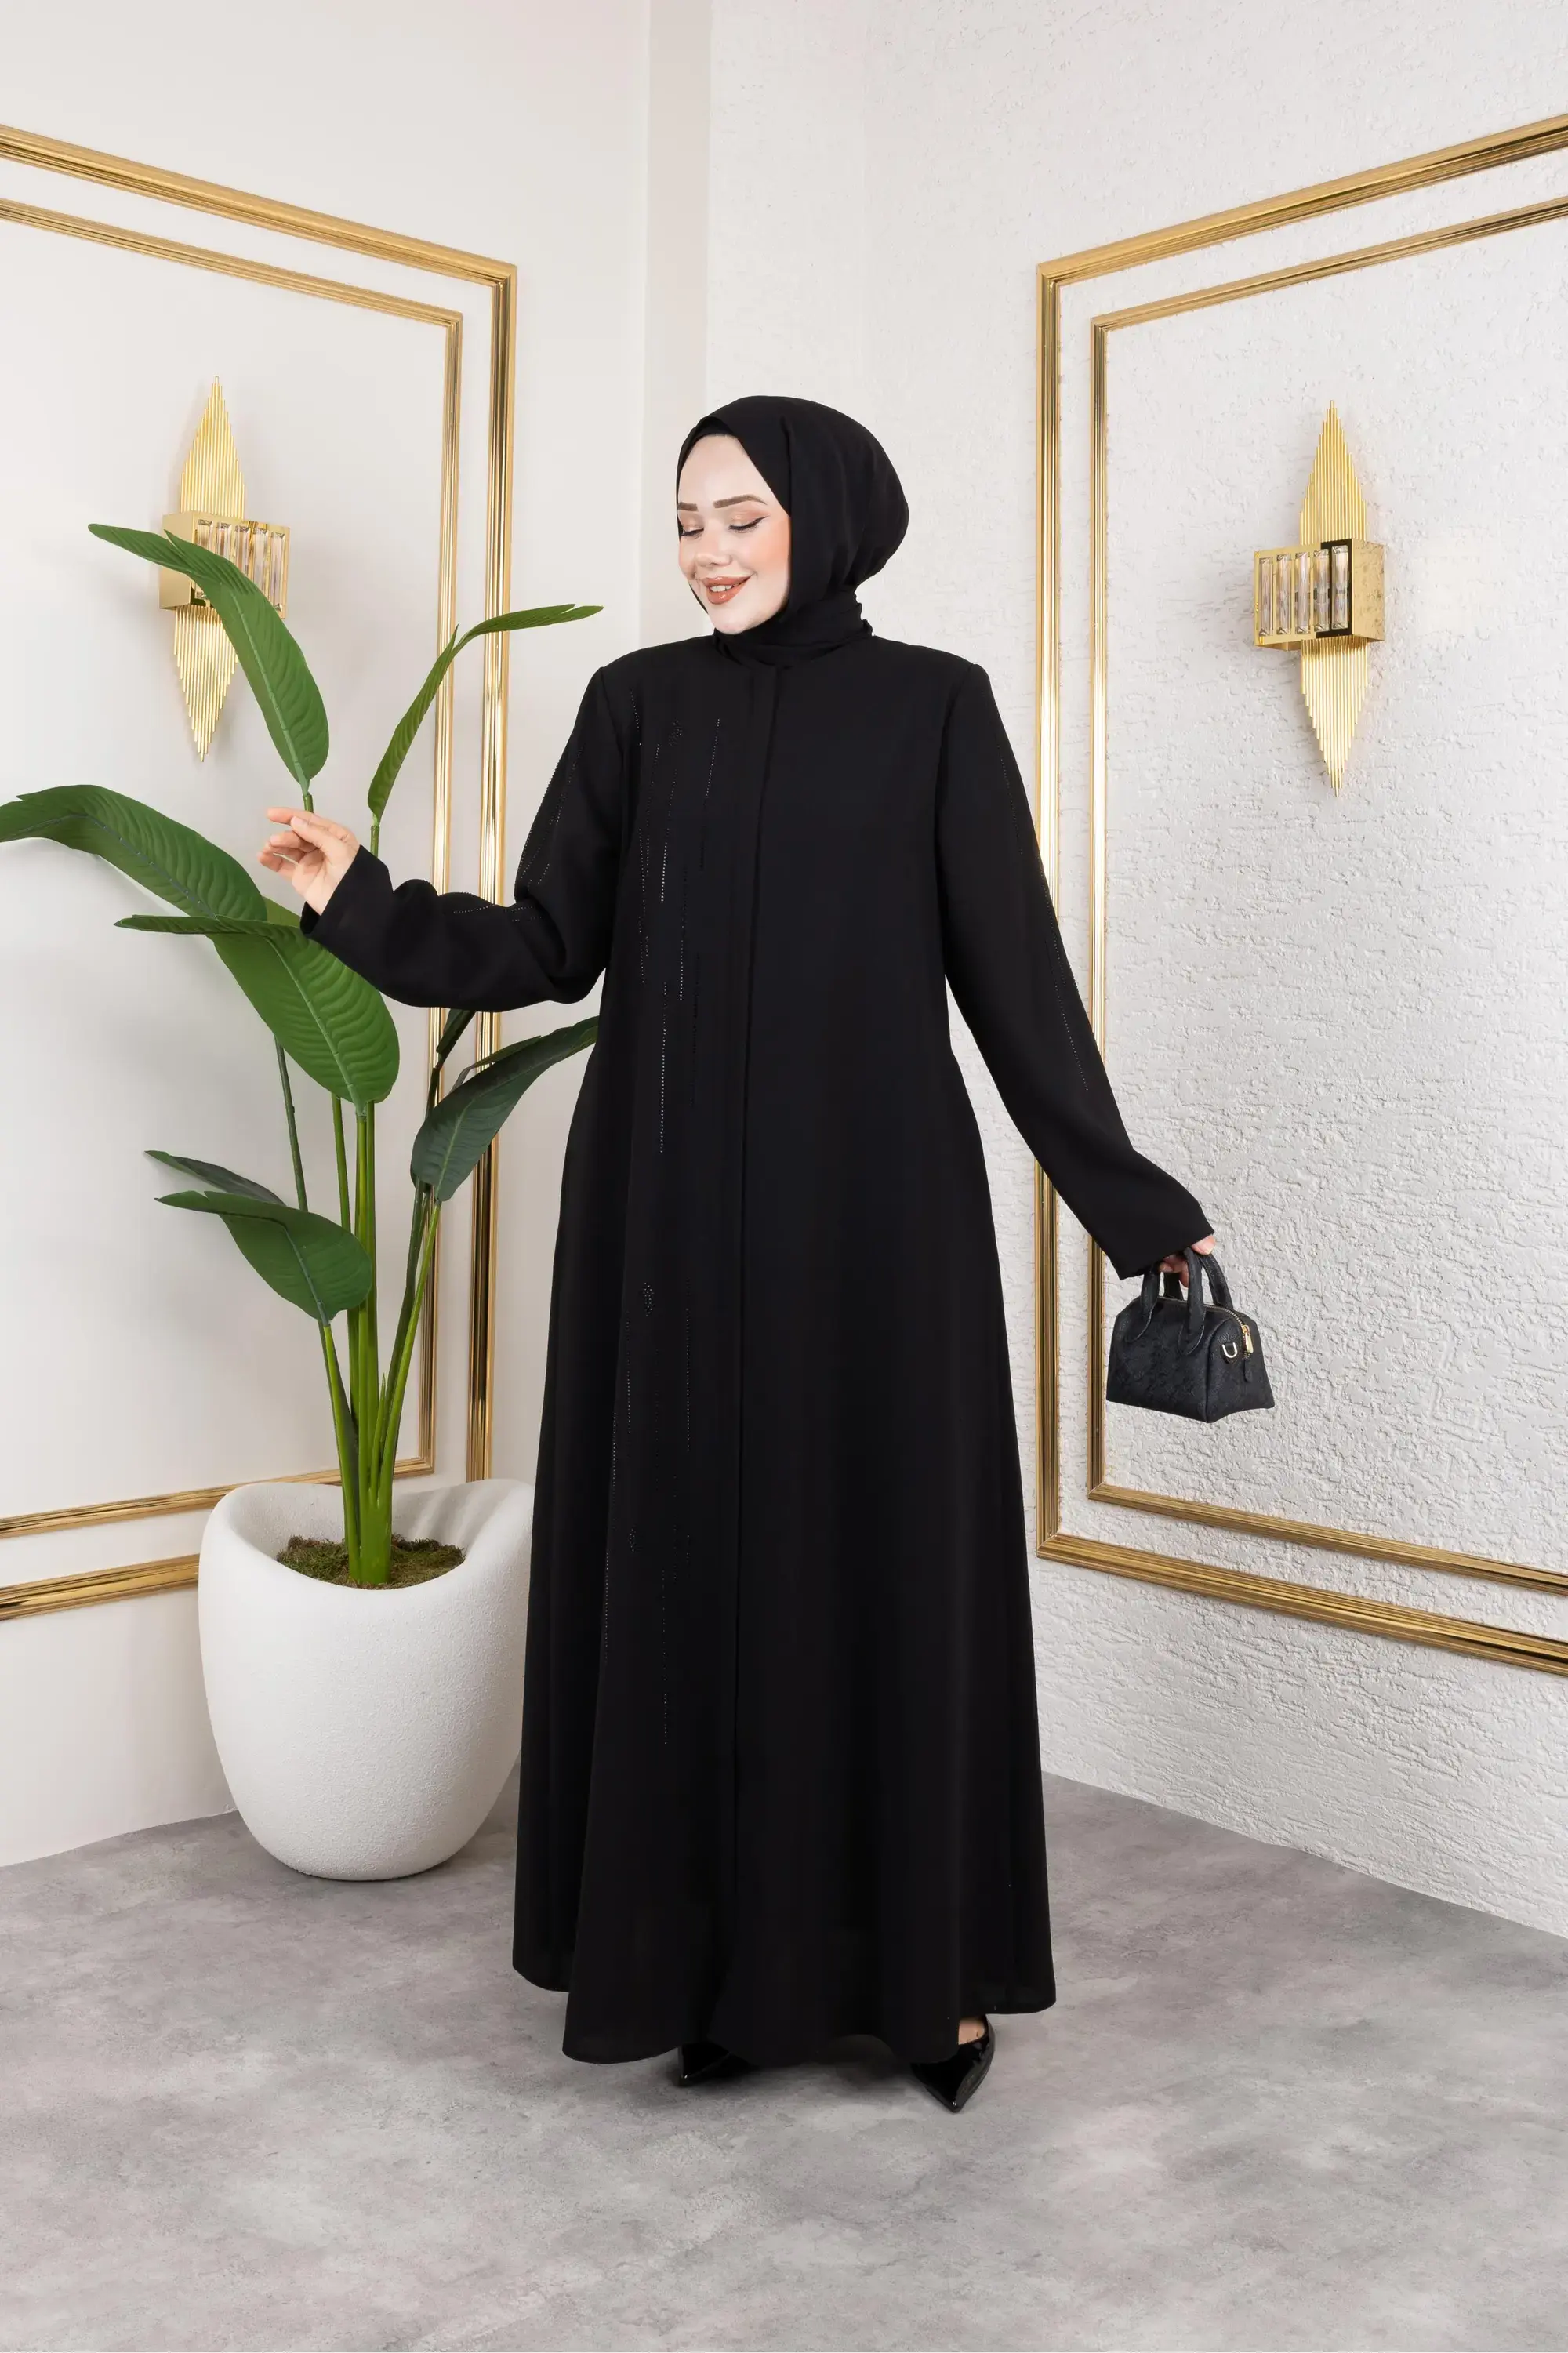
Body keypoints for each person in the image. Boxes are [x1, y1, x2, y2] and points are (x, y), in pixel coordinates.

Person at [260, 396, 1214, 2115]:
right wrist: (363, 901)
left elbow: (1014, 981)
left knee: (878, 1567)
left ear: (827, 517)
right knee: (696, 1572)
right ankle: (709, 1973)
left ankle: (925, 1993)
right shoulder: (637, 707)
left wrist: (1137, 1209)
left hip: (877, 1223)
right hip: (669, 1217)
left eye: (740, 516)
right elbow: (545, 945)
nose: (704, 551)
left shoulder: (935, 707)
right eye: (687, 521)